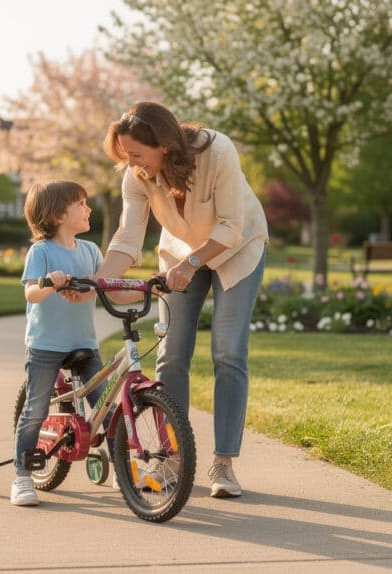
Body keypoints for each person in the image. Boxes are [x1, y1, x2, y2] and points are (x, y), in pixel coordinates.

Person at [97, 102, 268, 498]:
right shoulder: (137, 177)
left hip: (238, 249)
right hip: (179, 254)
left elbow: (230, 225)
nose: (133, 164)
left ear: (165, 145)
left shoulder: (217, 151)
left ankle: (223, 464)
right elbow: (127, 236)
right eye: (126, 157)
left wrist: (193, 263)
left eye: (138, 154)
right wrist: (99, 281)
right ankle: (170, 457)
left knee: (228, 353)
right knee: (171, 355)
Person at [12, 180, 105, 507]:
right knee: (35, 409)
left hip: (84, 343)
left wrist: (90, 289)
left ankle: (127, 465)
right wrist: (50, 283)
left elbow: (99, 287)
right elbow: (30, 293)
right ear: (57, 214)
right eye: (81, 203)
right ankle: (22, 476)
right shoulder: (42, 252)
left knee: (107, 403)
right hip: (47, 344)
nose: (88, 209)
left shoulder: (91, 250)